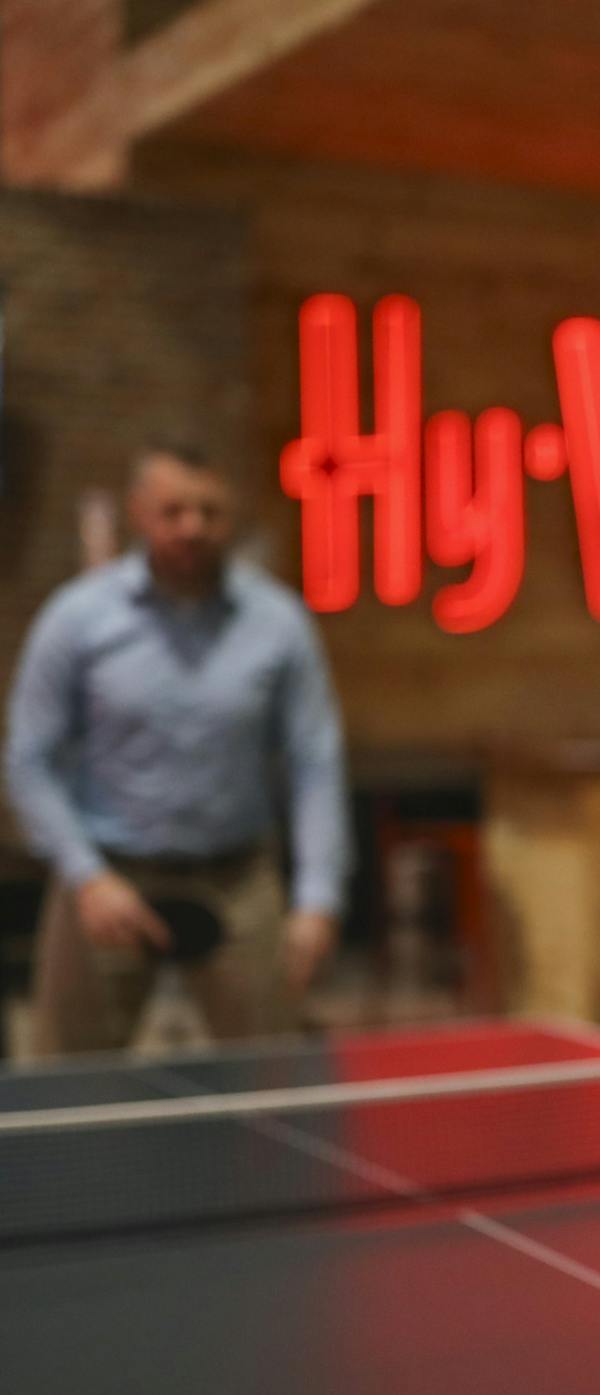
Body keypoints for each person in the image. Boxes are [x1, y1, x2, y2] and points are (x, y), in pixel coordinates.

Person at [5, 440, 349, 1053]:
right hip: (109, 880)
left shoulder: (279, 622)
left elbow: (314, 761)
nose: (192, 526)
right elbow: (28, 759)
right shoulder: (78, 618)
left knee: (273, 1086)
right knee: (74, 1092)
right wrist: (85, 876)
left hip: (240, 882)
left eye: (209, 510)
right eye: (173, 511)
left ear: (231, 511)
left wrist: (317, 897)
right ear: (139, 512)